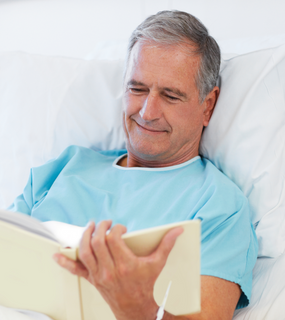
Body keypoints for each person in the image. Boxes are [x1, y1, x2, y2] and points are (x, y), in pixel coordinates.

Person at [8, 10, 258, 320]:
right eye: (137, 89)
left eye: (170, 95)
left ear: (207, 106)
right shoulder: (64, 168)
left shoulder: (220, 205)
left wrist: (137, 308)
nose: (148, 111)